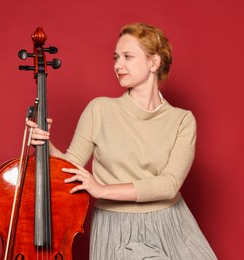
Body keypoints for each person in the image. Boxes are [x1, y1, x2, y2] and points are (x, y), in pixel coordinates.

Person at [28, 23, 217, 259]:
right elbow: (70, 168)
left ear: (154, 62)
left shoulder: (181, 120)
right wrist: (44, 145)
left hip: (172, 223)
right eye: (116, 57)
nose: (118, 65)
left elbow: (169, 185)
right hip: (117, 226)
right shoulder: (100, 109)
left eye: (128, 57)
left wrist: (102, 189)